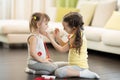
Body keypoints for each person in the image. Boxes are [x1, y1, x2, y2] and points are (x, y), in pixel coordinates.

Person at [46, 12, 100, 78]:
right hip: (72, 64)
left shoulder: (76, 36)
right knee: (53, 65)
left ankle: (83, 73)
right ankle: (75, 72)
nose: (63, 29)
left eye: (65, 27)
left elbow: (62, 50)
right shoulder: (75, 34)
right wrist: (58, 38)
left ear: (73, 28)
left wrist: (51, 39)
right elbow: (65, 46)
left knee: (58, 72)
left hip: (80, 67)